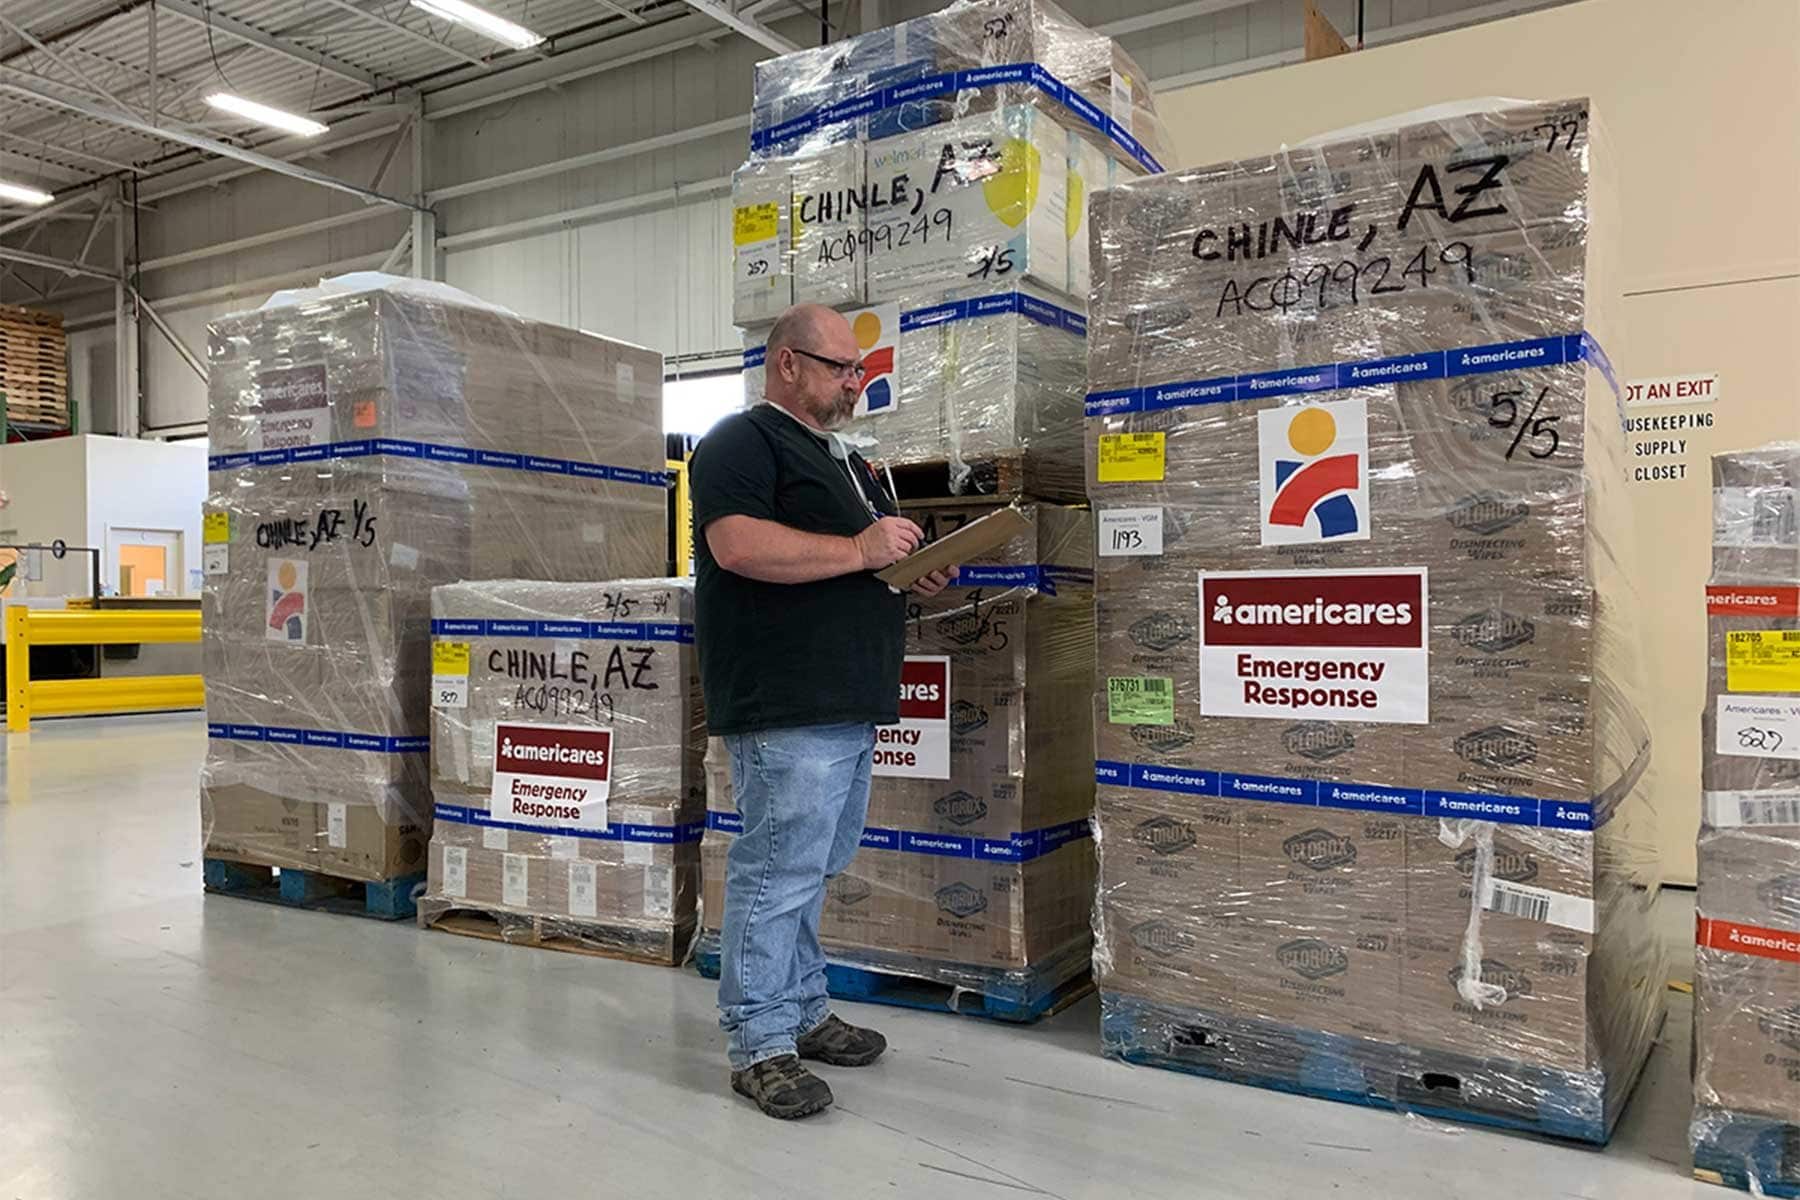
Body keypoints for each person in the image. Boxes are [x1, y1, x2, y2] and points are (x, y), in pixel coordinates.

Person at [690, 303, 956, 1119]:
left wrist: (909, 567)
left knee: (812, 867)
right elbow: (737, 546)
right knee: (777, 872)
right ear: (788, 364)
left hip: (847, 699)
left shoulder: (849, 463)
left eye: (859, 370)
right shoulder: (742, 441)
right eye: (841, 367)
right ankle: (759, 1042)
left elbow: (856, 563)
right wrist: (862, 549)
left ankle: (802, 1008)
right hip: (786, 699)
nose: (855, 382)